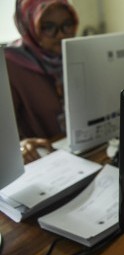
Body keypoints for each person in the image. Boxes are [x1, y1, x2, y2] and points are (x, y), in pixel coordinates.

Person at [4, 0, 79, 161]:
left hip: (76, 149)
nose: (60, 34)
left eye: (67, 24)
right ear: (29, 26)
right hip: (39, 159)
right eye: (48, 27)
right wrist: (20, 145)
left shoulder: (78, 54)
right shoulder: (10, 65)